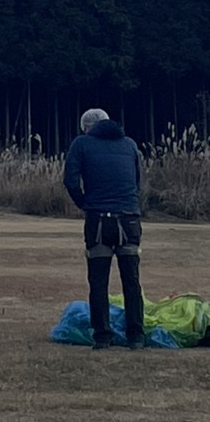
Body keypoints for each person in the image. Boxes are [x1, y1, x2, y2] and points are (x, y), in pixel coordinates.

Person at [63, 108, 145, 349]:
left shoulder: (82, 144)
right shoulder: (129, 144)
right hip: (129, 219)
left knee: (98, 281)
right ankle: (137, 337)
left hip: (98, 220)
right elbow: (138, 182)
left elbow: (70, 180)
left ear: (87, 128)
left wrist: (85, 204)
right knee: (131, 280)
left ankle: (102, 338)